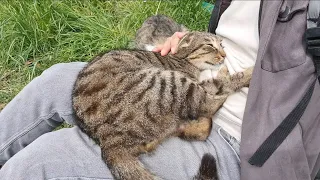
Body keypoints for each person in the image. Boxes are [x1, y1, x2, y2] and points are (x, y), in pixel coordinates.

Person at [0, 0, 319, 180]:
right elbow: (239, 45)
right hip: (193, 86)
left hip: (237, 141)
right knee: (55, 82)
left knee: (40, 161)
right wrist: (191, 45)